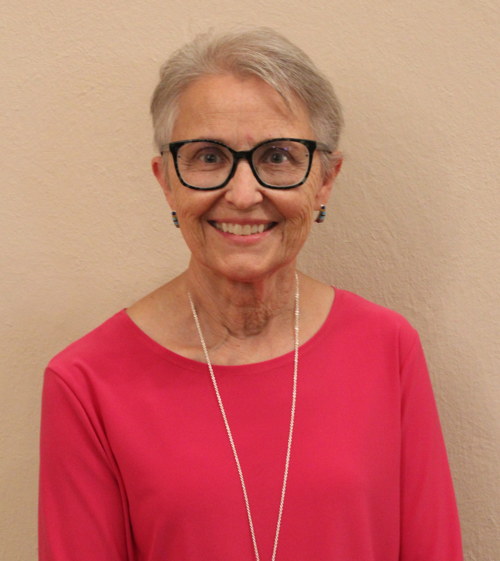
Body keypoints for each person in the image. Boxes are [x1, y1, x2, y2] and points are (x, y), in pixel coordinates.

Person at [39, 27, 463, 561]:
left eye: (278, 156)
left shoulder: (388, 349)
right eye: (208, 157)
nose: (243, 194)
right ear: (166, 180)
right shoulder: (85, 384)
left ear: (325, 180)